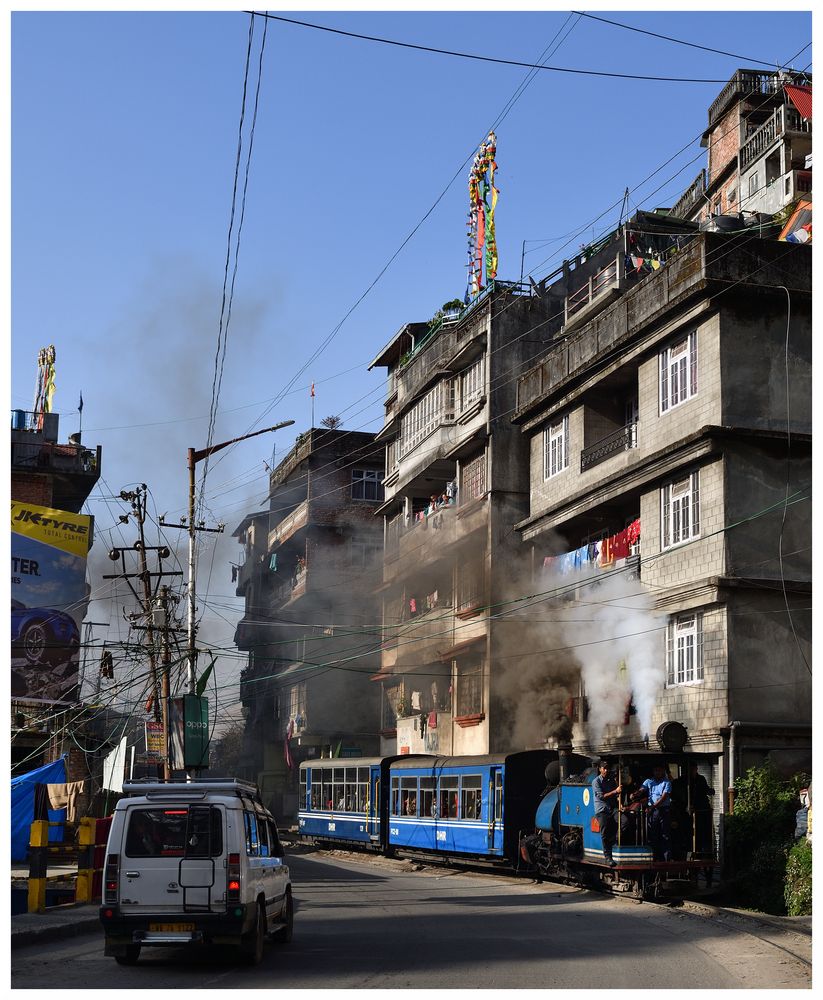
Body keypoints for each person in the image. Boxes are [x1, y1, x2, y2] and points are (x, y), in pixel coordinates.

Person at [592, 761, 622, 867]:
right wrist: (615, 791)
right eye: (604, 768)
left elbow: (616, 796)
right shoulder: (596, 781)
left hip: (612, 808)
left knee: (624, 821)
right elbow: (601, 796)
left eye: (607, 768)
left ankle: (615, 840)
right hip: (602, 810)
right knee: (604, 831)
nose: (606, 770)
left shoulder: (611, 781)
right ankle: (608, 856)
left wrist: (620, 804)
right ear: (600, 769)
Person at [641, 765, 672, 861]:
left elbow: (664, 797)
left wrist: (652, 806)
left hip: (663, 810)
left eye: (659, 770)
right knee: (653, 834)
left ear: (663, 771)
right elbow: (641, 789)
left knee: (665, 834)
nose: (657, 772)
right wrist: (635, 794)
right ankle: (654, 857)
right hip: (653, 811)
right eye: (655, 770)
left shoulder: (667, 782)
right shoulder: (648, 781)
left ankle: (666, 859)